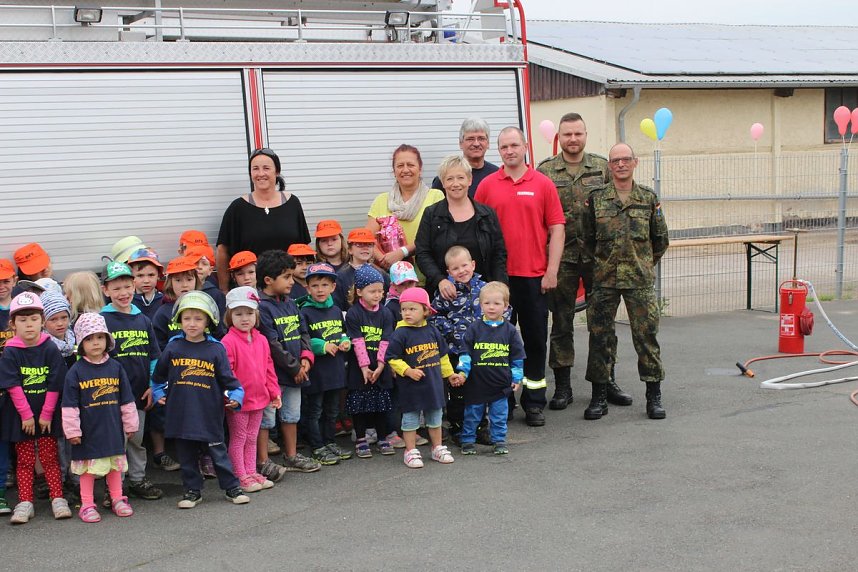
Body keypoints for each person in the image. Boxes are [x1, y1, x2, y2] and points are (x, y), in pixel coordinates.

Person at [537, 112, 632, 411]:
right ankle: (563, 387)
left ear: (585, 135)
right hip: (562, 259)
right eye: (567, 134)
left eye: (578, 134)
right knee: (562, 323)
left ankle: (607, 380)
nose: (573, 139)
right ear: (560, 137)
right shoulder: (546, 171)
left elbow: (619, 208)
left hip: (598, 259)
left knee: (601, 325)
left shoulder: (603, 168)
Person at [475, 127, 565, 427]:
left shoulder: (542, 184)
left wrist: (552, 270)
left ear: (525, 147)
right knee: (496, 344)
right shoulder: (487, 186)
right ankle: (503, 400)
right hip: (498, 282)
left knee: (535, 342)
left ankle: (534, 402)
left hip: (534, 278)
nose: (509, 150)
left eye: (514, 145)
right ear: (498, 151)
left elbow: (557, 228)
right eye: (503, 147)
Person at [582, 143, 670, 420]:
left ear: (635, 162)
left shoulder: (647, 197)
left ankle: (653, 396)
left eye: (625, 160)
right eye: (615, 161)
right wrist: (601, 265)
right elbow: (586, 241)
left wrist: (642, 263)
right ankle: (599, 396)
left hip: (639, 280)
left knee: (646, 338)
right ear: (609, 166)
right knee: (600, 337)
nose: (620, 164)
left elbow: (660, 240)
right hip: (604, 279)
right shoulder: (596, 199)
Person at [151, 291, 250, 508]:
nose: (192, 324)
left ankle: (231, 487)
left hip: (209, 412)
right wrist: (159, 394)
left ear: (208, 321)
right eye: (187, 318)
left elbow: (230, 381)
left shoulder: (216, 348)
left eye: (198, 318)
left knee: (218, 453)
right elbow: (158, 377)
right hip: (180, 413)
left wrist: (236, 398)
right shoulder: (173, 347)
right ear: (179, 320)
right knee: (186, 456)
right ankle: (192, 491)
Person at [0, 292, 71, 524]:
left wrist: (47, 414)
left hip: (46, 416)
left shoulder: (49, 348)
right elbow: (12, 385)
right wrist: (27, 416)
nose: (28, 324)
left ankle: (57, 498)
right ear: (12, 324)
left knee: (50, 458)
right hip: (22, 418)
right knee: (25, 461)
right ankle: (25, 502)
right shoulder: (10, 350)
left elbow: (55, 383)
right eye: (22, 320)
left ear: (42, 321)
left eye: (33, 319)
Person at [62, 313, 139, 523]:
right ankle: (87, 504)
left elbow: (126, 398)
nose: (95, 342)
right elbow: (69, 405)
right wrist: (72, 431)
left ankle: (117, 498)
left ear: (107, 340)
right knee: (88, 469)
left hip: (112, 428)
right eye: (88, 339)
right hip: (87, 431)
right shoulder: (76, 372)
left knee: (114, 466)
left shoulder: (115, 367)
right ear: (80, 342)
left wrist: (131, 423)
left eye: (99, 337)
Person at [99, 261, 163, 502]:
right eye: (116, 289)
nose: (123, 293)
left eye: (127, 286)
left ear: (134, 286)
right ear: (106, 291)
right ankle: (115, 486)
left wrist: (152, 385)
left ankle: (137, 479)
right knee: (115, 442)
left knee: (136, 439)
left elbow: (154, 356)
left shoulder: (143, 320)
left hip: (139, 393)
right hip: (111, 395)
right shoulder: (102, 320)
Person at [255, 250, 319, 477]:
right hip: (274, 375)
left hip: (296, 373)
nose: (293, 281)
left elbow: (304, 332)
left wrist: (306, 358)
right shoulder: (262, 307)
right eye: (287, 277)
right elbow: (272, 343)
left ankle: (291, 455)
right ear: (268, 280)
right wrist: (294, 367)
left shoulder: (291, 304)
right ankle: (262, 461)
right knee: (266, 419)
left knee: (292, 415)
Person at [386, 287, 463, 469]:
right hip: (411, 387)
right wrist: (407, 371)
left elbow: (442, 355)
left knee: (435, 418)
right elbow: (392, 358)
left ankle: (437, 447)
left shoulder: (433, 330)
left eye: (412, 309)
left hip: (433, 385)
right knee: (411, 420)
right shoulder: (400, 333)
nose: (407, 313)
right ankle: (410, 451)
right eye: (404, 309)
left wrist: (449, 374)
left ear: (426, 311)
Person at [216, 147, 311, 292]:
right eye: (255, 169)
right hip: (253, 290)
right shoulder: (238, 208)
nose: (261, 174)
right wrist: (224, 290)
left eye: (266, 168)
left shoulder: (293, 203)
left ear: (277, 171)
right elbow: (223, 251)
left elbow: (303, 249)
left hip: (289, 289)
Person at [416, 154, 508, 298]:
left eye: (460, 177)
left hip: (485, 296)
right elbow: (423, 253)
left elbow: (498, 254)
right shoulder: (431, 214)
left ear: (469, 180)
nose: (455, 183)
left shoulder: (487, 214)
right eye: (450, 179)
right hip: (444, 296)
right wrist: (440, 280)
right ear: (443, 182)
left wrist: (499, 287)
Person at [221, 286, 281, 493]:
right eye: (238, 314)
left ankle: (250, 470)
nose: (244, 318)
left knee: (252, 436)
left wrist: (274, 392)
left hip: (259, 398)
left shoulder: (262, 340)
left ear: (256, 315)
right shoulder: (227, 342)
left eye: (249, 313)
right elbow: (225, 373)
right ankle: (240, 473)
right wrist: (229, 396)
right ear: (229, 316)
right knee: (239, 436)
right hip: (239, 401)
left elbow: (268, 367)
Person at [456, 282, 525, 456]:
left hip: (500, 384)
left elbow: (517, 358)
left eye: (496, 303)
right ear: (480, 305)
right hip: (477, 383)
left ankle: (499, 441)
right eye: (487, 303)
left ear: (506, 306)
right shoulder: (474, 329)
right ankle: (468, 441)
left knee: (499, 416)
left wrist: (516, 378)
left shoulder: (510, 331)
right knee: (472, 415)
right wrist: (463, 372)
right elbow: (465, 353)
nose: (491, 307)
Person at [429, 246, 488, 442]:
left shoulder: (485, 289)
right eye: (455, 268)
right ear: (448, 272)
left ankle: (481, 427)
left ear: (473, 265)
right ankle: (458, 427)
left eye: (464, 265)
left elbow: (502, 306)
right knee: (458, 391)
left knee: (480, 390)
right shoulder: (446, 292)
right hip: (456, 350)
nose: (461, 271)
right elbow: (435, 317)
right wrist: (452, 332)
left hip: (480, 351)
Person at [297, 263, 352, 466]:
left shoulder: (336, 309)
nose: (320, 290)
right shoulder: (305, 311)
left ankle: (330, 441)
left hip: (335, 370)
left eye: (324, 285)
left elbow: (343, 332)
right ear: (308, 288)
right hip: (317, 372)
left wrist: (345, 342)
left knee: (332, 410)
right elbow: (303, 340)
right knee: (315, 410)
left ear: (333, 287)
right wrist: (322, 345)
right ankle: (317, 445)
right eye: (315, 285)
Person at [344, 265, 396, 458]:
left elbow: (386, 339)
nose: (378, 295)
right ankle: (361, 438)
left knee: (381, 404)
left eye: (381, 291)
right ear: (359, 291)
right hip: (360, 368)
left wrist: (381, 365)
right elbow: (357, 341)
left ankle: (382, 437)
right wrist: (365, 367)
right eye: (372, 291)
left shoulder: (385, 313)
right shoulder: (354, 314)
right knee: (359, 405)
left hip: (379, 367)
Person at [366, 144, 445, 271]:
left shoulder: (436, 197)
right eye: (400, 165)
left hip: (426, 275)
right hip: (388, 277)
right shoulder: (381, 200)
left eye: (411, 165)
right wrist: (385, 260)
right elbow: (368, 239)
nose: (405, 170)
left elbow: (435, 236)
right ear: (394, 171)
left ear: (420, 169)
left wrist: (402, 252)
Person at [430, 118, 499, 198]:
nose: (476, 144)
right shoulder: (447, 176)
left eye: (481, 138)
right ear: (460, 143)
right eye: (470, 139)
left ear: (488, 143)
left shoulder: (497, 174)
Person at [333, 228, 388, 310]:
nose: (365, 248)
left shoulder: (381, 274)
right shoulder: (340, 276)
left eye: (369, 244)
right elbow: (337, 306)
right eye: (360, 245)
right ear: (350, 250)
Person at [129, 247, 165, 321]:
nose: (146, 281)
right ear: (131, 277)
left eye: (151, 275)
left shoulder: (165, 300)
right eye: (140, 275)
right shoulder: (127, 301)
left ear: (158, 275)